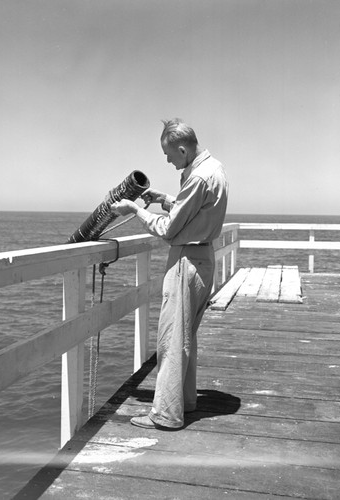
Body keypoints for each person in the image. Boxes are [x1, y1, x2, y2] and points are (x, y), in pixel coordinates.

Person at [110, 118, 228, 429]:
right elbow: (195, 209)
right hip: (204, 258)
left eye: (169, 155)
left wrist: (136, 210)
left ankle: (166, 415)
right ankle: (184, 403)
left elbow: (168, 228)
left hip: (188, 262)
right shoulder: (214, 168)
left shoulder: (198, 177)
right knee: (185, 336)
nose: (167, 161)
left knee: (171, 339)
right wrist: (164, 199)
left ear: (182, 149)